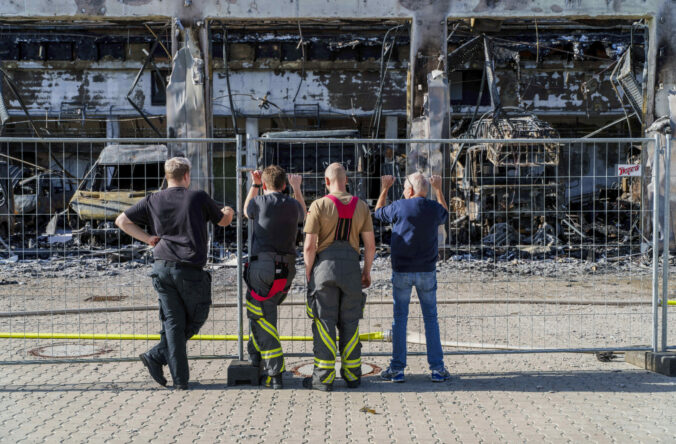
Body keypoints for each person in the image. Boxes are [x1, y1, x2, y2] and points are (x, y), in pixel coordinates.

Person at [115, 157, 234, 390]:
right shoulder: (197, 197)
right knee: (196, 317)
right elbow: (223, 221)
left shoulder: (153, 199)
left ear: (167, 176)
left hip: (161, 266)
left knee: (173, 323)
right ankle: (158, 354)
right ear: (187, 175)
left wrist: (148, 239)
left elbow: (122, 221)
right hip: (188, 269)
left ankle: (179, 379)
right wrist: (228, 209)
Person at [303, 163, 376, 391]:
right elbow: (371, 246)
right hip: (352, 271)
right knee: (350, 323)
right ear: (346, 180)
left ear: (326, 181)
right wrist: (366, 272)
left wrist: (309, 276)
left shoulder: (319, 205)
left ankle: (323, 379)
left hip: (324, 270)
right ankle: (353, 376)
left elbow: (309, 247)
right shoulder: (362, 207)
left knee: (324, 323)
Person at [374, 173, 451, 383]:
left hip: (402, 270)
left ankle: (397, 368)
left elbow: (378, 213)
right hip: (427, 270)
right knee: (431, 319)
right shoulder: (433, 208)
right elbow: (445, 213)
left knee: (400, 319)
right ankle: (437, 368)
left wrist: (385, 188)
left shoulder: (399, 206)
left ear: (409, 190)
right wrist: (438, 189)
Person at [243, 165, 306, 389]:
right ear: (284, 184)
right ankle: (255, 356)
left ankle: (275, 372)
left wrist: (255, 184)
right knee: (263, 313)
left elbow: (245, 210)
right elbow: (303, 215)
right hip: (287, 269)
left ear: (266, 185)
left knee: (261, 316)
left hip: (263, 268)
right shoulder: (292, 204)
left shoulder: (258, 202)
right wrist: (297, 189)